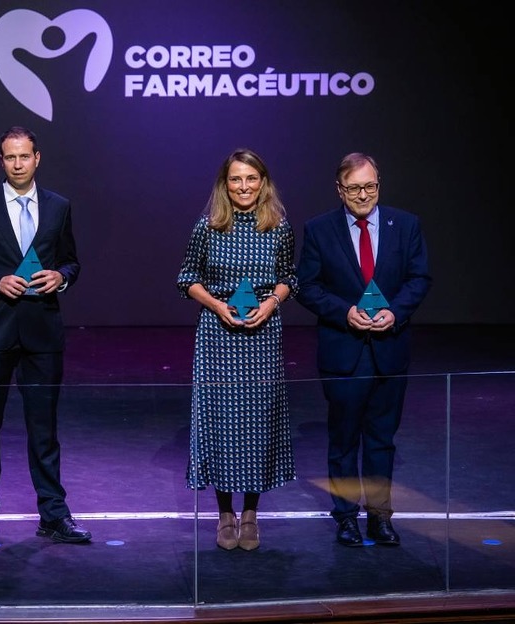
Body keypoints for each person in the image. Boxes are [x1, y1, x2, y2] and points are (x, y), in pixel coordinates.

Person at [0, 126, 91, 546]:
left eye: (25, 156)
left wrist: (60, 277)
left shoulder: (59, 206)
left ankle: (53, 515)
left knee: (44, 428)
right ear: (1, 160)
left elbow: (71, 261)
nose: (18, 164)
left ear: (37, 158)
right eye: (10, 157)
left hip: (42, 331)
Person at [296, 152, 431, 547]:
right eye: (354, 188)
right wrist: (345, 312)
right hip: (344, 352)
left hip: (389, 350)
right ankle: (345, 518)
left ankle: (379, 517)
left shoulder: (405, 225)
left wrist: (396, 312)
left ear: (379, 185)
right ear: (339, 190)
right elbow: (307, 286)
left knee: (381, 439)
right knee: (343, 440)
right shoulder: (319, 229)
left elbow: (419, 278)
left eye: (370, 186)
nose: (363, 195)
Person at [176, 148, 298, 551]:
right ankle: (225, 513)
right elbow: (187, 278)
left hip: (263, 334)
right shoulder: (209, 226)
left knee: (258, 422)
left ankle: (250, 514)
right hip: (218, 335)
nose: (243, 187)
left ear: (263, 182)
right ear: (224, 184)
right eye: (235, 179)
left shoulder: (278, 227)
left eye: (251, 178)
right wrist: (215, 305)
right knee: (223, 422)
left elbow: (289, 278)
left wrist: (271, 303)